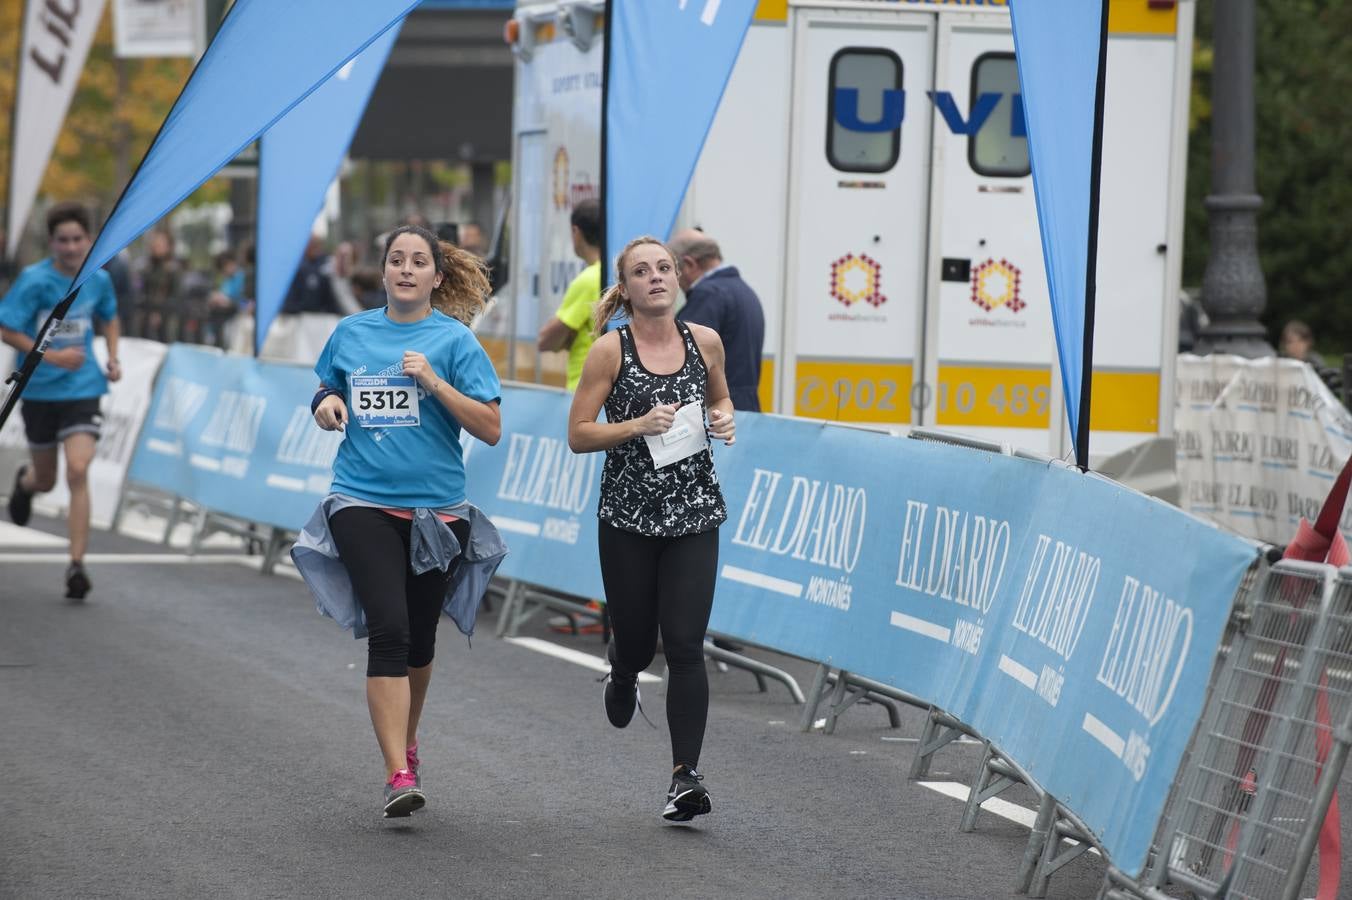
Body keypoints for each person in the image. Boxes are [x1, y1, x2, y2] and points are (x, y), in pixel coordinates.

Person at [291, 224, 506, 819]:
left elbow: (489, 428)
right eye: (395, 260)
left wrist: (434, 385)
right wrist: (325, 405)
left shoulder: (456, 342)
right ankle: (397, 772)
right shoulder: (351, 332)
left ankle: (407, 743)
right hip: (360, 499)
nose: (406, 269)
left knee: (418, 638)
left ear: (438, 277)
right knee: (388, 629)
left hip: (438, 510)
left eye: (418, 262)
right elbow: (327, 388)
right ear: (382, 272)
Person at [568, 235, 736, 822]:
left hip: (694, 513)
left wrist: (723, 419)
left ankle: (684, 777)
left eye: (665, 268)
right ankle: (621, 668)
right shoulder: (610, 352)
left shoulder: (705, 342)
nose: (657, 278)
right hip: (629, 519)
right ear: (627, 287)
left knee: (686, 645)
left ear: (679, 278)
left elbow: (722, 400)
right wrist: (637, 424)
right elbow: (579, 433)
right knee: (640, 644)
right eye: (643, 272)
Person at [0, 202, 121, 600]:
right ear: (52, 243)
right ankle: (26, 483)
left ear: (89, 241)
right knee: (47, 478)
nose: (70, 248)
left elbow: (109, 315)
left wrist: (113, 356)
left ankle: (76, 566)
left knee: (78, 470)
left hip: (83, 389)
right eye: (63, 240)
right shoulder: (35, 280)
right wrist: (50, 356)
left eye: (77, 240)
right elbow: (6, 328)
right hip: (39, 390)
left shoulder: (97, 279)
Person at [668, 228, 766, 412]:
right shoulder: (744, 290)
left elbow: (680, 360)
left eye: (671, 270)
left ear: (688, 264)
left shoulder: (708, 295)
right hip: (744, 409)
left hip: (717, 412)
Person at [538, 199, 602, 391]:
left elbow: (546, 340)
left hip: (583, 388)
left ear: (576, 232)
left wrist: (568, 337)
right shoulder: (618, 272)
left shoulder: (588, 279)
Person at [132, 229, 181, 341]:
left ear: (168, 246)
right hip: (145, 319)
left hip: (166, 321)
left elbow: (176, 298)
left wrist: (159, 313)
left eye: (160, 244)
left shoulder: (173, 269)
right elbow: (140, 291)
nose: (155, 246)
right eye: (154, 243)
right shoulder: (145, 267)